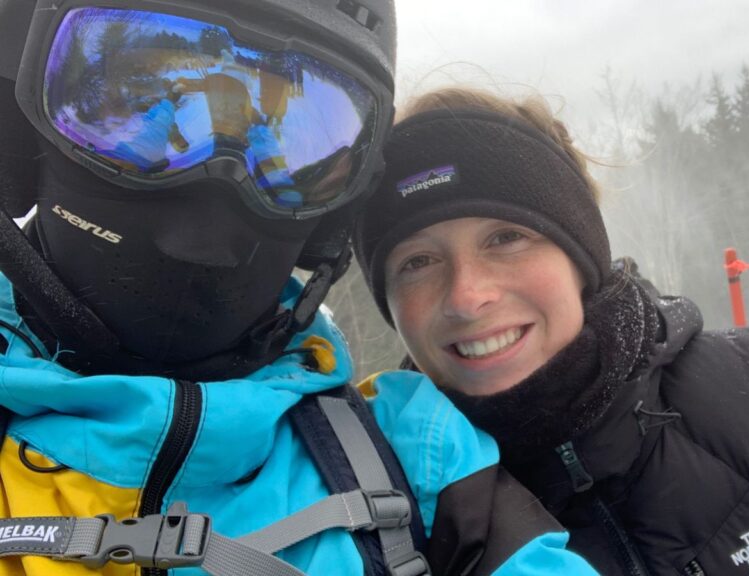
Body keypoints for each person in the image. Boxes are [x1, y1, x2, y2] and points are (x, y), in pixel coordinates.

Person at [0, 2, 597, 575]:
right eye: (146, 103)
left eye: (291, 142)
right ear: (24, 136)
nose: (220, 171)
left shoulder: (413, 457)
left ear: (331, 224)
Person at [352, 87, 749, 575]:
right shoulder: (379, 501)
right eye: (417, 262)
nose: (467, 294)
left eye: (506, 236)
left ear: (581, 256)